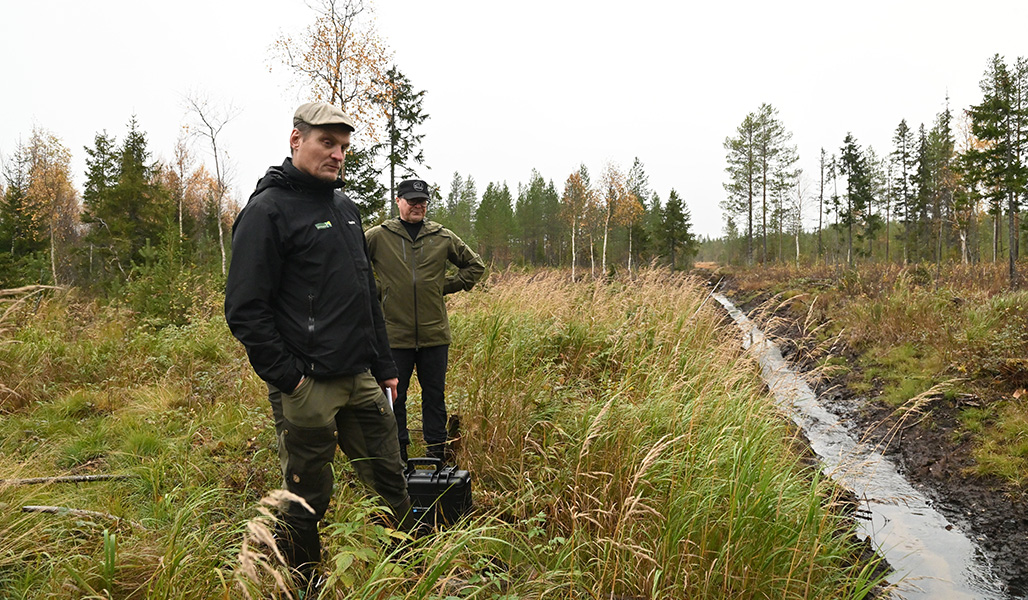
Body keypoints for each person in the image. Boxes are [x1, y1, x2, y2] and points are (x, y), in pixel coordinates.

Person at [224, 102, 413, 591]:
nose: (337, 155)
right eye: (326, 143)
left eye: (344, 147)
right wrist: (290, 378)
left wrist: (385, 365)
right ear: (295, 140)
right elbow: (245, 310)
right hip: (308, 383)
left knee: (389, 476)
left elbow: (365, 293)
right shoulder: (267, 211)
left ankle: (406, 569)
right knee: (308, 496)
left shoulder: (344, 208)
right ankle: (304, 581)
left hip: (360, 377)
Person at [365, 179, 485, 465]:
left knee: (434, 397)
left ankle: (436, 456)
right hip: (394, 335)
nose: (418, 206)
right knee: (395, 399)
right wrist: (378, 291)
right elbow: (351, 265)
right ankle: (399, 457)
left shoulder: (442, 237)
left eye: (422, 201)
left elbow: (475, 266)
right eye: (412, 200)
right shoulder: (378, 236)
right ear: (398, 201)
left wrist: (443, 286)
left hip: (434, 335)